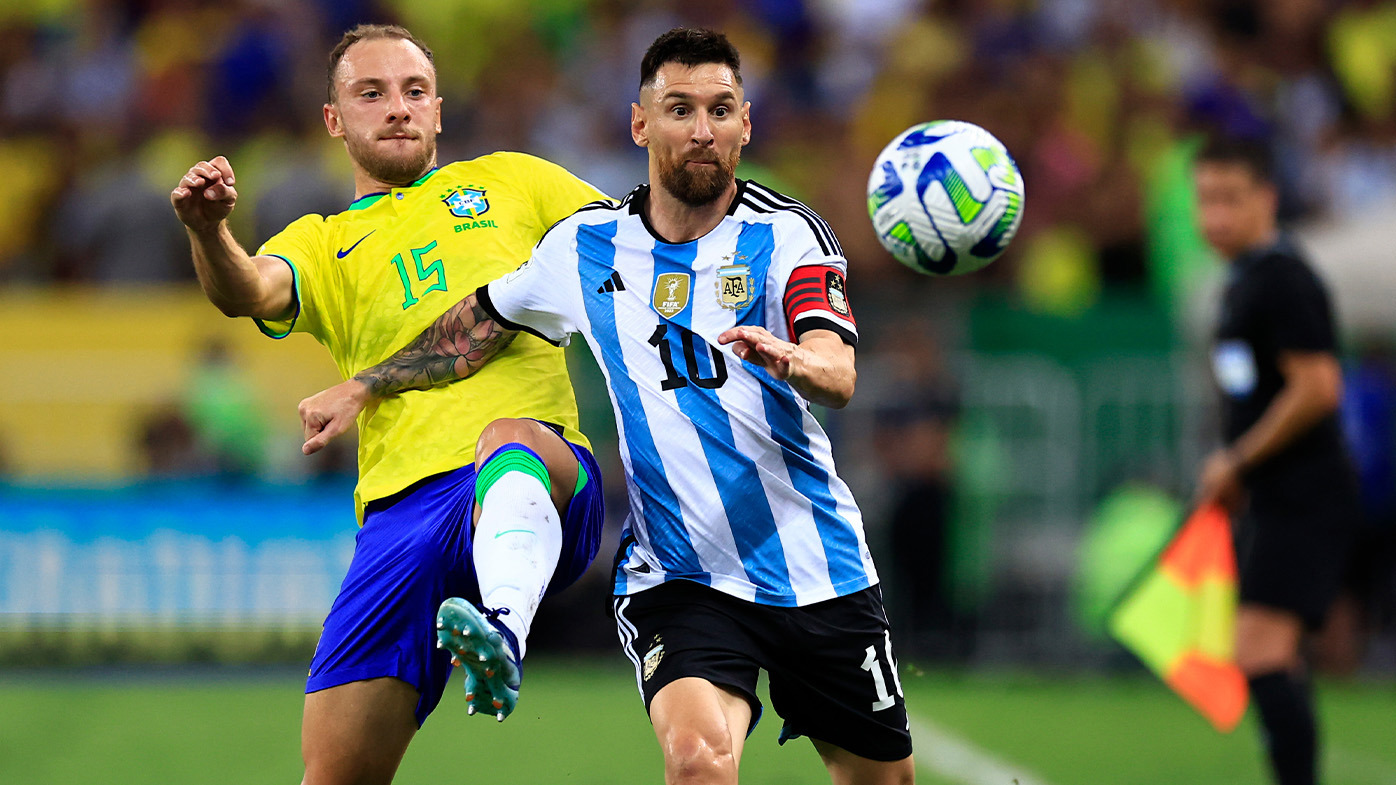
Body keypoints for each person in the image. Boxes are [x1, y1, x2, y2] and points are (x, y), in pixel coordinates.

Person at [299, 26, 915, 785]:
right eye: (680, 109)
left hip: (815, 563)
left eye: (721, 110)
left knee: (882, 780)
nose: (702, 130)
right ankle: (506, 629)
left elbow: (839, 368)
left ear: (745, 125)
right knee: (697, 761)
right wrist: (366, 384)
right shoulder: (585, 247)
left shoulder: (787, 235)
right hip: (679, 575)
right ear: (640, 124)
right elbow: (474, 326)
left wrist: (798, 360)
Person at [169, 24, 610, 785]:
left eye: (413, 93)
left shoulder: (515, 181)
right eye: (370, 94)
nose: (397, 109)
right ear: (334, 120)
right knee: (334, 773)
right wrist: (208, 232)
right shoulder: (323, 242)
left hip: (536, 469)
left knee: (509, 439)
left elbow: (631, 245)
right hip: (398, 518)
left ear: (438, 110)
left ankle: (504, 629)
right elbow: (248, 289)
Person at [1193, 136, 1360, 785]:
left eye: (1232, 198)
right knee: (1267, 652)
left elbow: (1318, 385)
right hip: (1277, 494)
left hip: (1307, 495)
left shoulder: (1283, 276)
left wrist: (1238, 458)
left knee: (1260, 648)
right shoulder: (1244, 279)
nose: (1217, 215)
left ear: (1268, 198)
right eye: (1206, 199)